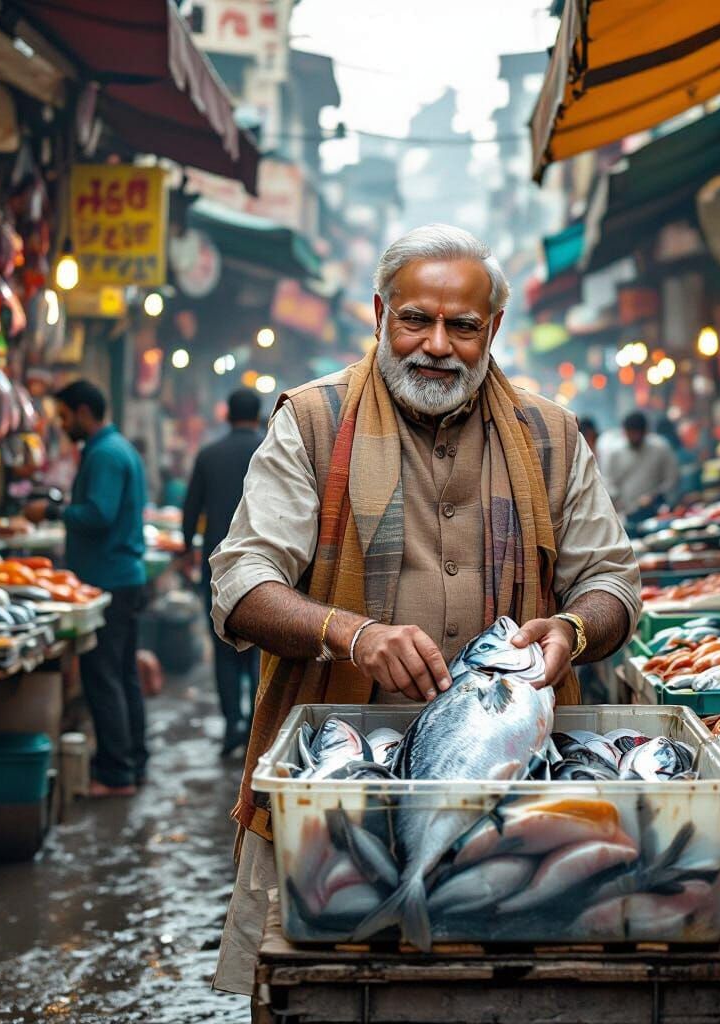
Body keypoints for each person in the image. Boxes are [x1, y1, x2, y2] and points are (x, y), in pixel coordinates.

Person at [209, 224, 642, 997]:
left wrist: (573, 629)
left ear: (492, 329)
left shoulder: (551, 434)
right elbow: (241, 581)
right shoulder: (312, 422)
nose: (436, 345)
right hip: (336, 785)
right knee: (320, 992)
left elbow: (611, 579)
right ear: (379, 312)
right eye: (415, 319)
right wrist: (350, 634)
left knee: (510, 997)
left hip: (518, 792)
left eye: (462, 325)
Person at [24, 380, 148, 797]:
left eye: (63, 417)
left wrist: (53, 510)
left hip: (108, 579)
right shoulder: (114, 449)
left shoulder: (105, 454)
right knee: (123, 674)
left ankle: (115, 774)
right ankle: (133, 762)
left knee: (104, 677)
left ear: (81, 411)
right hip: (121, 576)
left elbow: (98, 514)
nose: (61, 425)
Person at [182, 388, 264, 756]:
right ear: (259, 413)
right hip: (266, 565)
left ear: (227, 414)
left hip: (217, 567)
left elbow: (190, 510)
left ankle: (232, 722)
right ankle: (255, 726)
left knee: (224, 647)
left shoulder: (209, 455)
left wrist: (187, 549)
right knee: (262, 648)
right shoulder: (270, 448)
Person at [599, 410, 679, 524]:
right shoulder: (614, 453)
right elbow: (608, 482)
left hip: (657, 512)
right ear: (625, 432)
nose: (635, 437)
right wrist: (619, 503)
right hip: (627, 515)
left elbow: (672, 479)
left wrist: (655, 496)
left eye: (638, 433)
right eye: (631, 433)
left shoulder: (660, 448)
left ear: (645, 431)